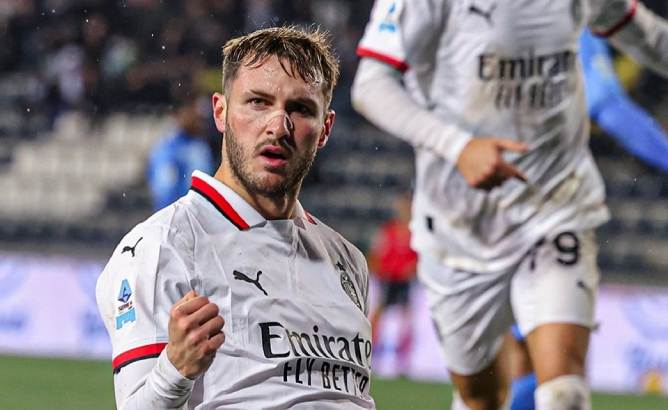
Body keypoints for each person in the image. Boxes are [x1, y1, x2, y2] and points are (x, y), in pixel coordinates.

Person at [351, 1, 668, 409]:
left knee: (564, 393)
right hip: (460, 228)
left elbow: (648, 36)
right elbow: (370, 86)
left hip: (555, 208)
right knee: (480, 398)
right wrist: (459, 147)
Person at [97, 26, 376, 409]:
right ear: (221, 112)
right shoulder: (163, 246)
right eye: (258, 102)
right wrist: (174, 373)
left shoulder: (347, 260)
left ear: (325, 128)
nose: (279, 127)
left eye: (300, 108)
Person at [507, 28, 668, 410]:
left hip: (482, 208)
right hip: (536, 210)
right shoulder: (568, 19)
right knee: (556, 370)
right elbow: (607, 105)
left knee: (514, 366)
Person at [368, 190, 417, 370]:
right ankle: (368, 351)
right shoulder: (389, 230)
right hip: (388, 280)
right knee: (378, 316)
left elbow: (419, 258)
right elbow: (377, 253)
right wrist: (379, 271)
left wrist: (411, 270)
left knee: (407, 320)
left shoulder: (414, 231)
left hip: (405, 282)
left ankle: (403, 359)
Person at [147, 100, 214, 211]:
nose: (195, 119)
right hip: (174, 211)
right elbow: (164, 185)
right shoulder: (167, 147)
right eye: (189, 113)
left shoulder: (200, 145)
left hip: (199, 211)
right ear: (178, 115)